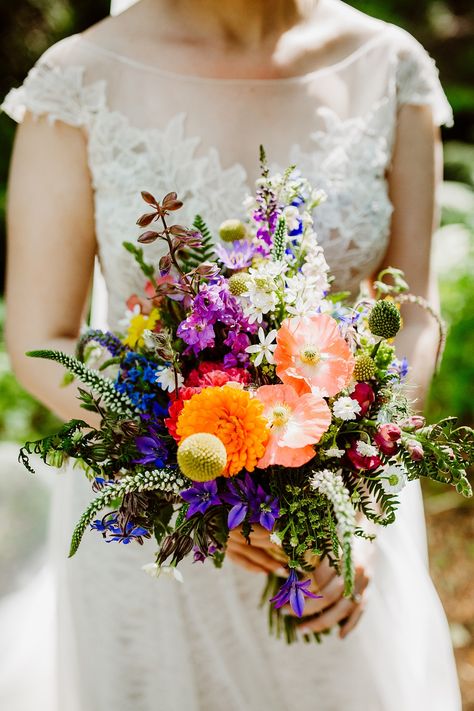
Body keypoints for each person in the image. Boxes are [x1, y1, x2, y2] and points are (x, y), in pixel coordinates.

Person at [2, 0, 461, 709]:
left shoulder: (389, 67)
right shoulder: (79, 80)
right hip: (156, 533)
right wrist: (199, 474)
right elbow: (42, 340)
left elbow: (411, 312)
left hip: (336, 535)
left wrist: (350, 509)